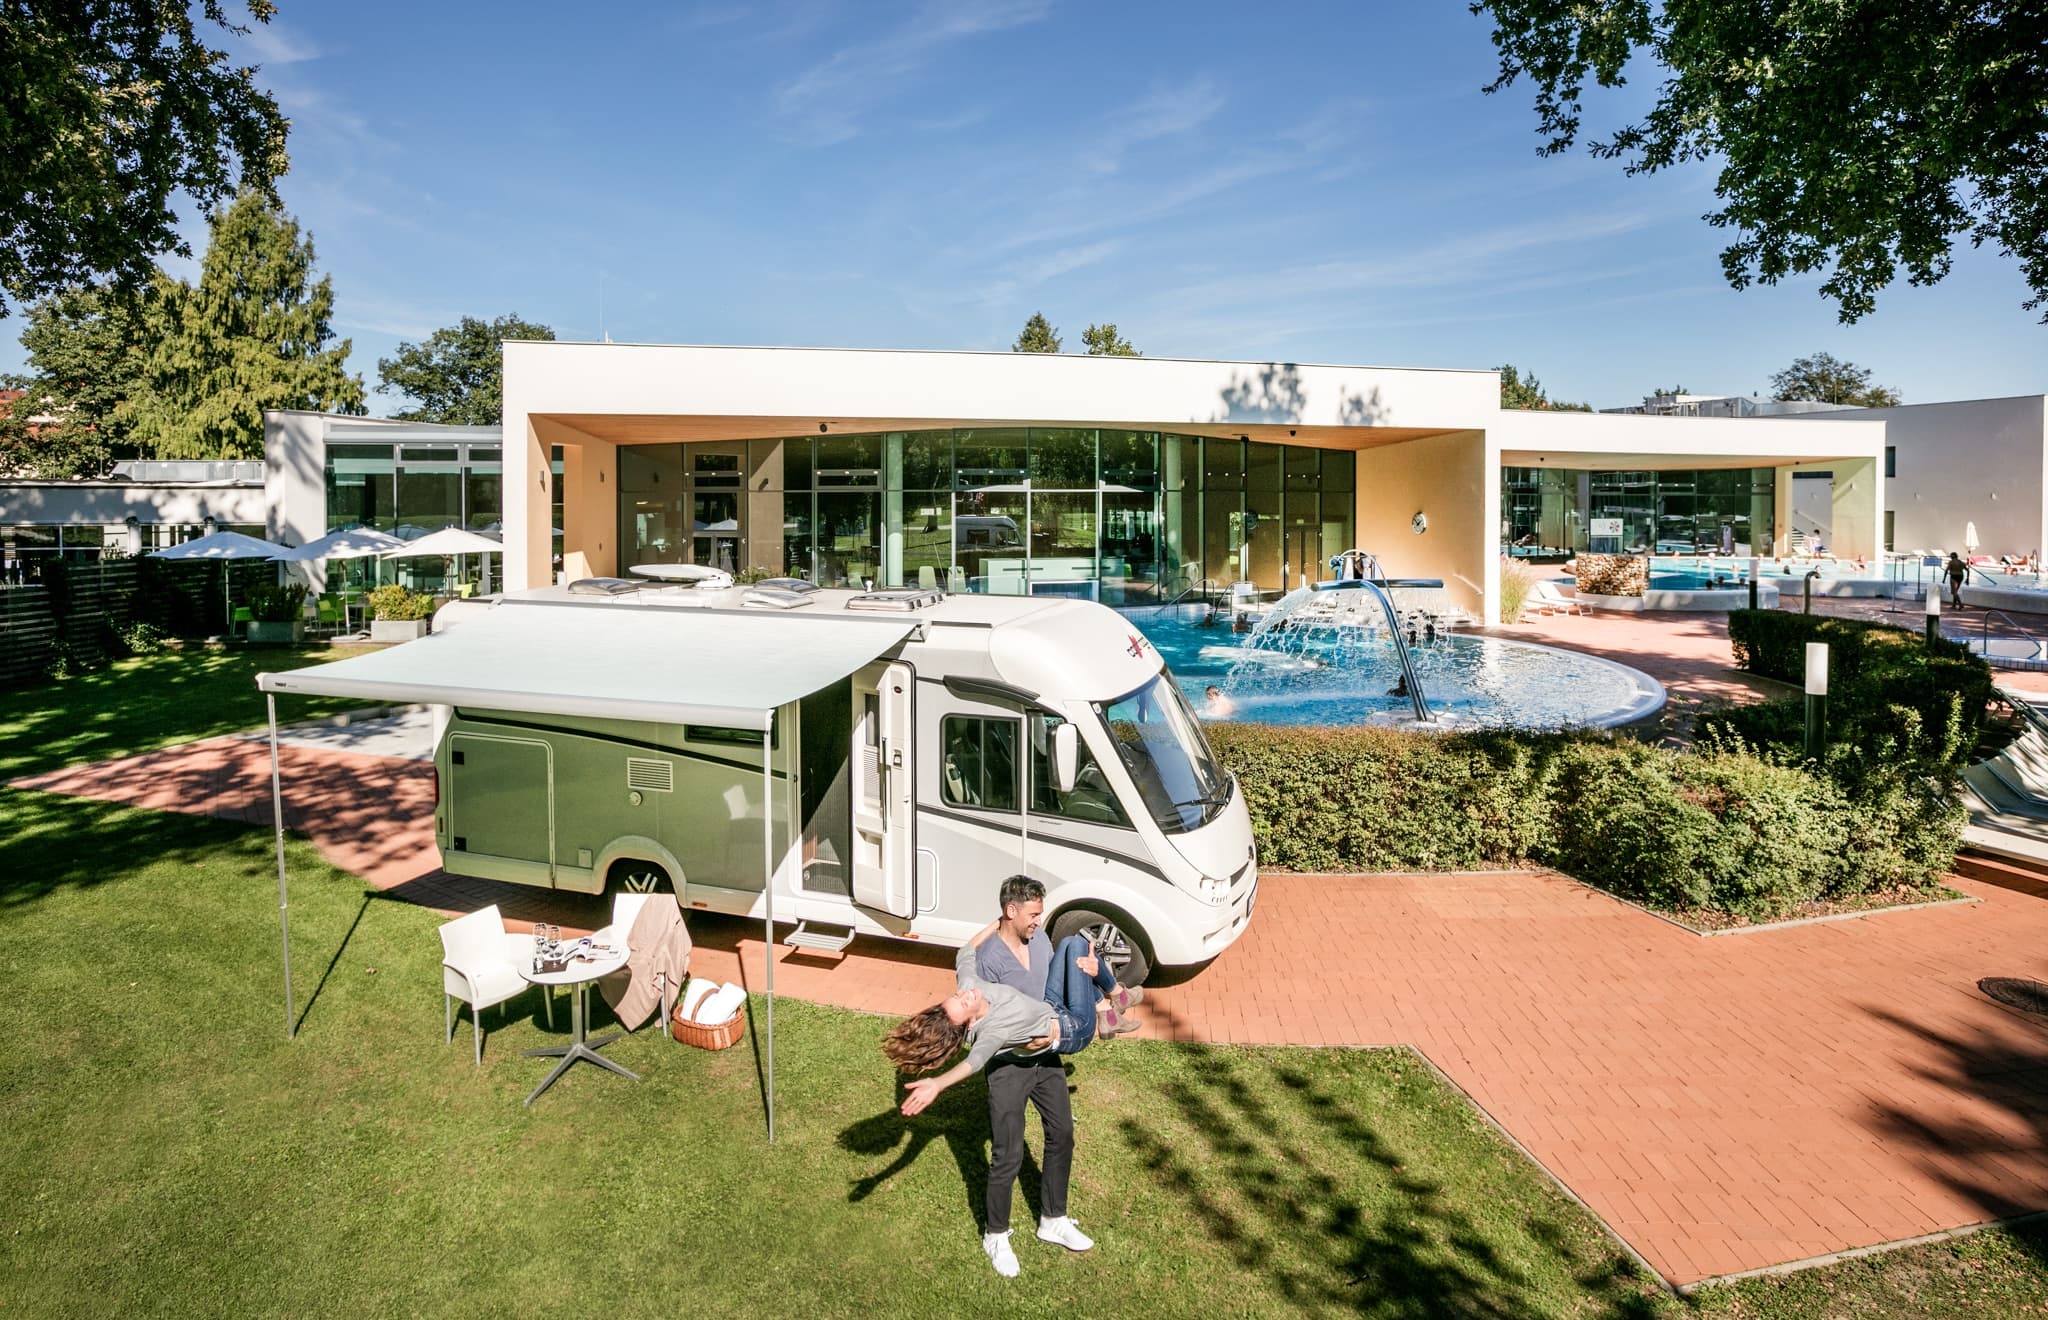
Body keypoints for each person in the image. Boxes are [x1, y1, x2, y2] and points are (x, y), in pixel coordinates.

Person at [959, 879, 1142, 1277]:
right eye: (1033, 914)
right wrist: (1027, 1042)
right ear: (1010, 912)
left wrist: (1089, 976)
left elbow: (1057, 994)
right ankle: (996, 1233)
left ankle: (1052, 1219)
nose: (1039, 922)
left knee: (1061, 1133)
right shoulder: (988, 961)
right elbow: (984, 1026)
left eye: (1040, 914)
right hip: (1009, 1063)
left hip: (1047, 1053)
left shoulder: (1039, 940)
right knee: (1008, 1153)